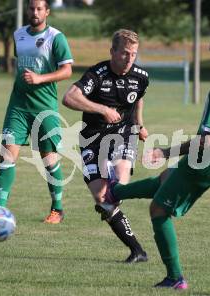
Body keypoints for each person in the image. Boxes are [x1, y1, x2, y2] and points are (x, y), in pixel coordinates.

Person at [97, 27, 210, 289]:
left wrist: (164, 152)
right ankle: (116, 192)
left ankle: (175, 278)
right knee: (167, 178)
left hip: (208, 161)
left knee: (158, 210)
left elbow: (206, 141)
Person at [0, 0, 73, 224]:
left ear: (47, 11)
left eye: (40, 8)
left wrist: (40, 78)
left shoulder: (56, 37)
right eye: (32, 8)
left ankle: (57, 209)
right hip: (18, 106)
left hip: (44, 107)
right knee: (6, 157)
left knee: (49, 159)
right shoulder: (18, 35)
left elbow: (67, 70)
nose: (35, 12)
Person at [62, 29, 149, 263]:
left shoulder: (141, 76)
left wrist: (139, 125)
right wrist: (102, 109)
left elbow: (138, 96)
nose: (129, 58)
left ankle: (115, 201)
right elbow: (69, 97)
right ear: (113, 52)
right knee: (103, 198)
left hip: (124, 134)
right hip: (92, 138)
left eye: (133, 54)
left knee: (118, 187)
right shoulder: (97, 75)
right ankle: (138, 251)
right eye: (124, 53)